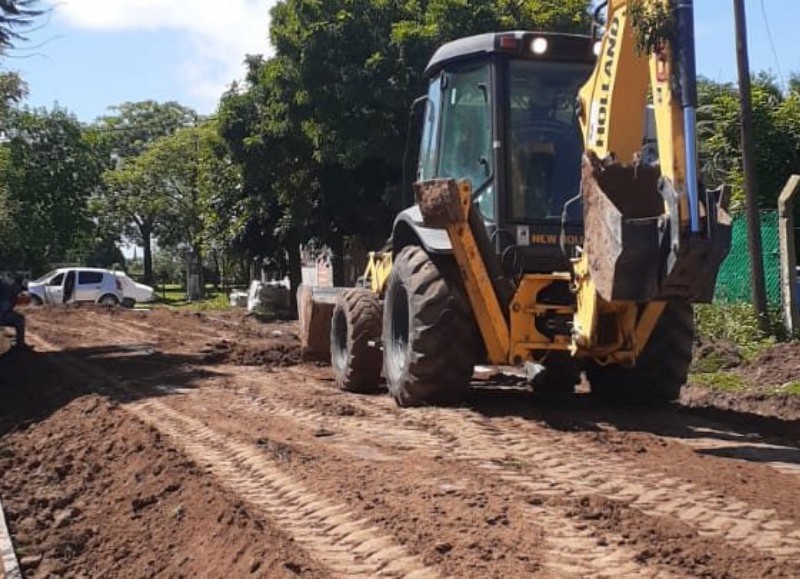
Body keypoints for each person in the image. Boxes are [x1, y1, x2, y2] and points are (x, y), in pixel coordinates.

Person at [0, 276, 31, 350]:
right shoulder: (13, 288)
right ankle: (20, 345)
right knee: (20, 320)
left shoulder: (6, 287)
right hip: (2, 314)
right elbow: (5, 307)